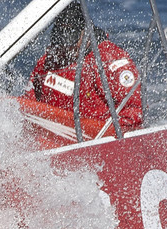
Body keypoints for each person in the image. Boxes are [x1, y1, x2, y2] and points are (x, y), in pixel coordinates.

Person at [25, 4, 144, 133]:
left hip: (94, 141)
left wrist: (107, 137)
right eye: (60, 38)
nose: (66, 48)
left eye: (70, 39)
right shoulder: (50, 60)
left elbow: (134, 112)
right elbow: (30, 99)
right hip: (50, 135)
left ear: (85, 32)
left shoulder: (110, 61)